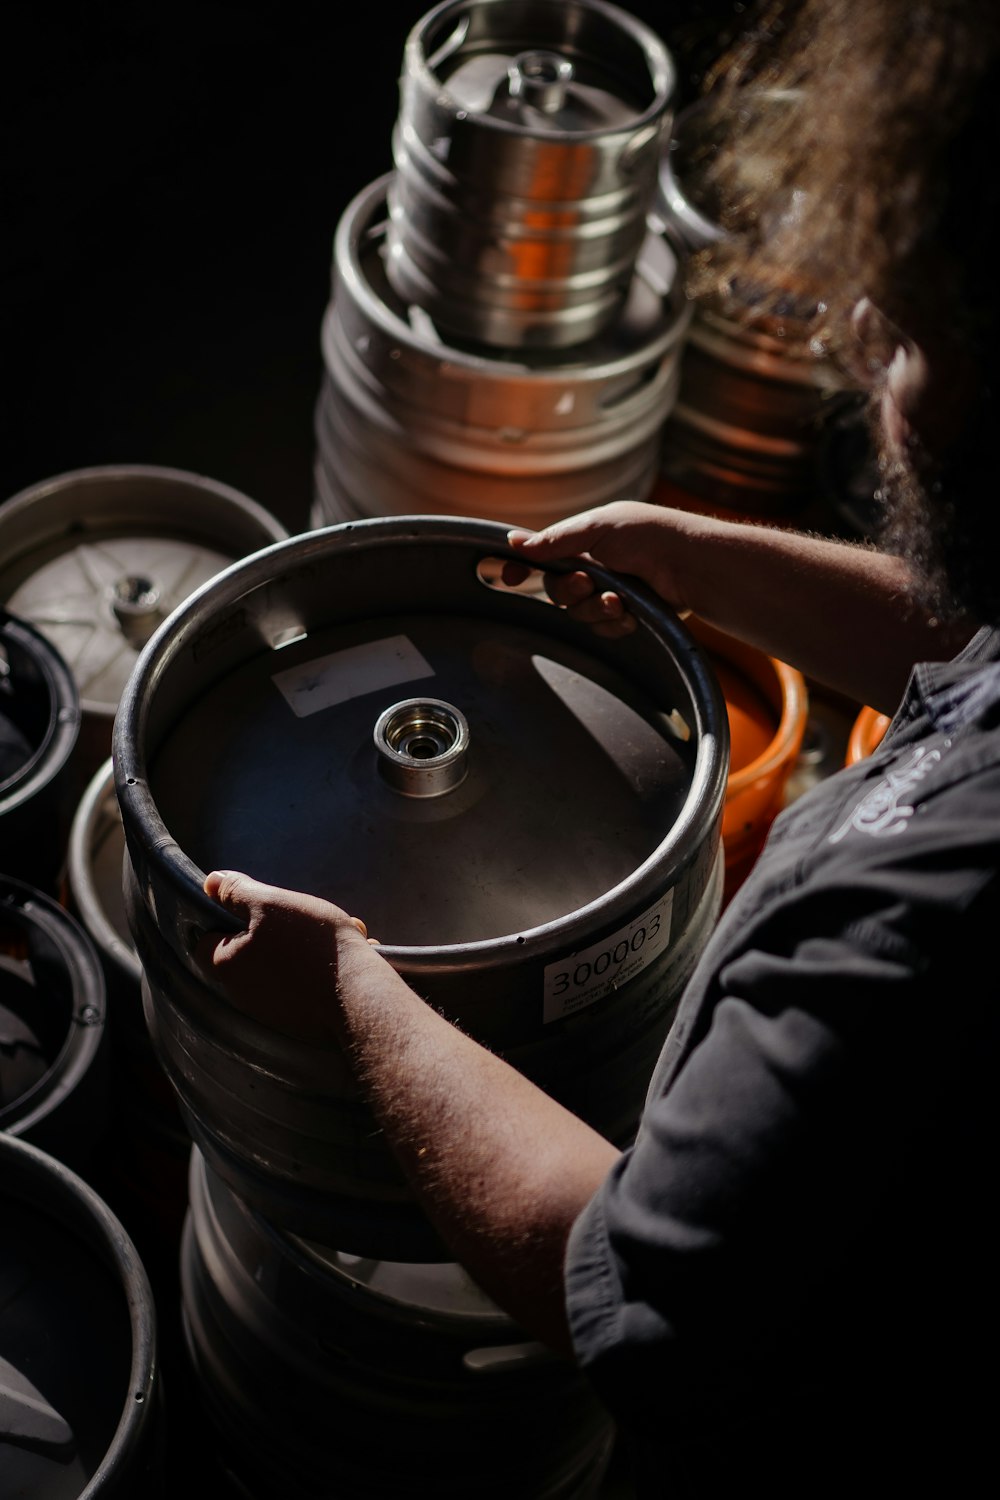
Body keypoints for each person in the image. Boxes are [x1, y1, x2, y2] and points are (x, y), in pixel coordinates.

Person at [196, 1, 1000, 1493]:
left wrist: (359, 994)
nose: (865, 369)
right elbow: (973, 644)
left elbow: (627, 1291)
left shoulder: (917, 933)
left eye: (902, 344)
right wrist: (702, 555)